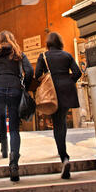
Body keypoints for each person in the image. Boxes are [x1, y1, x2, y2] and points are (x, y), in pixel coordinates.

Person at [0, 30, 33, 182]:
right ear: (12, 39)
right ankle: (13, 164)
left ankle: (4, 148)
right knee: (13, 127)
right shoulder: (18, 52)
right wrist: (24, 84)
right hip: (15, 89)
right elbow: (29, 71)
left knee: (0, 116)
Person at [35, 32, 82, 179]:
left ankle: (64, 157)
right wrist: (68, 81)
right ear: (60, 42)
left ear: (48, 43)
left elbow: (37, 75)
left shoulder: (43, 56)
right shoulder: (67, 55)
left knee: (58, 123)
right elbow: (77, 72)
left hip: (52, 92)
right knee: (61, 121)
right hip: (67, 91)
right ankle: (62, 150)